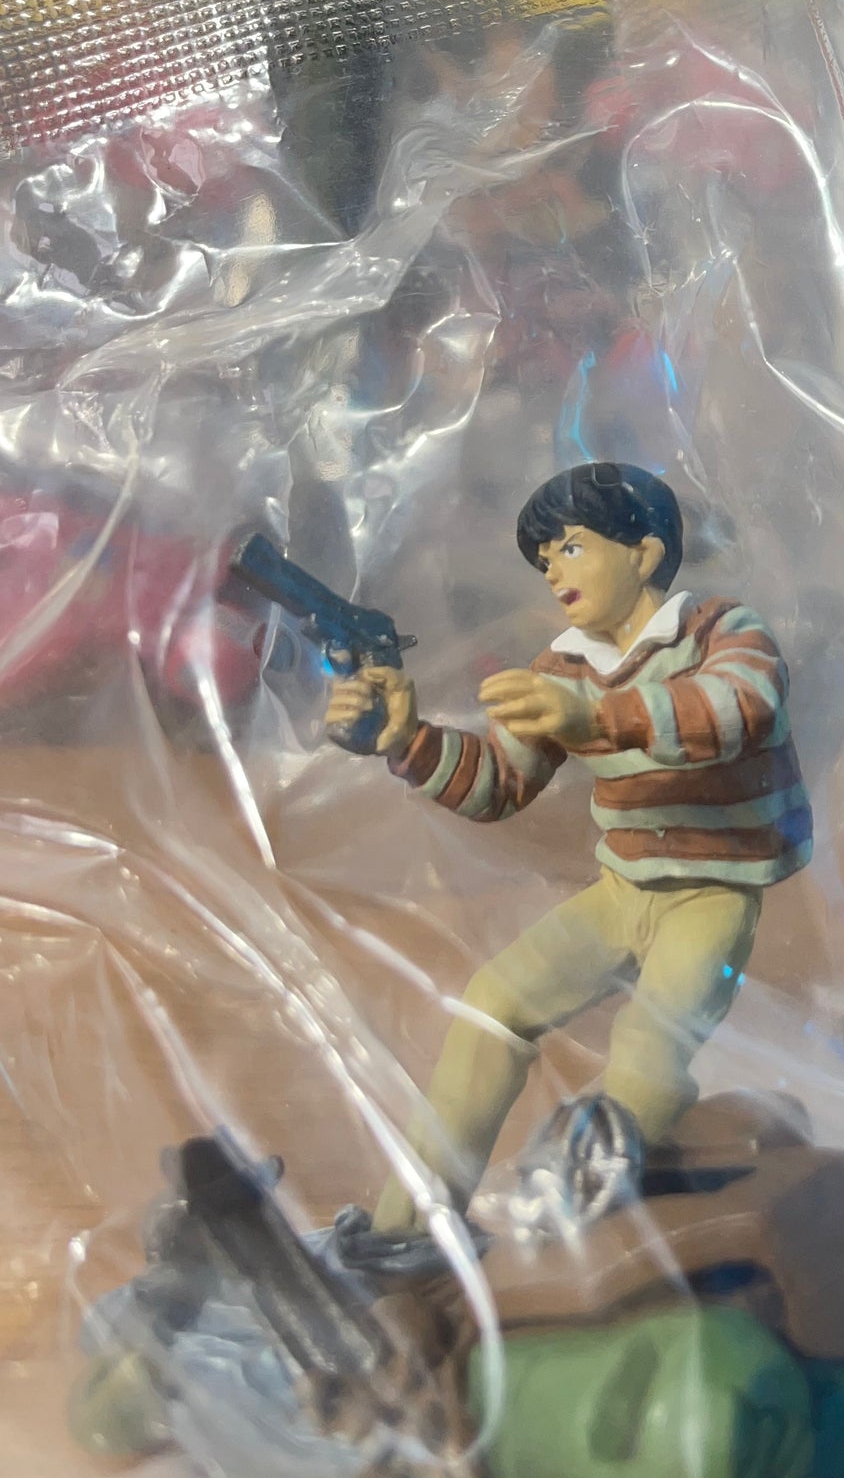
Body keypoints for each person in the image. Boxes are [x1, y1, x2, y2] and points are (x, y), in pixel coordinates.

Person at [324, 460, 810, 1233]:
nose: (553, 571)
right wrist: (406, 739)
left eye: (572, 547)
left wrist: (598, 716)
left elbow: (741, 705)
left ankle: (579, 1221)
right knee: (492, 1004)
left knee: (649, 1048)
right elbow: (497, 782)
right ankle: (407, 1227)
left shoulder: (721, 628)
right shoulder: (562, 666)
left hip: (712, 893)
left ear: (644, 552)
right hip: (620, 891)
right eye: (545, 558)